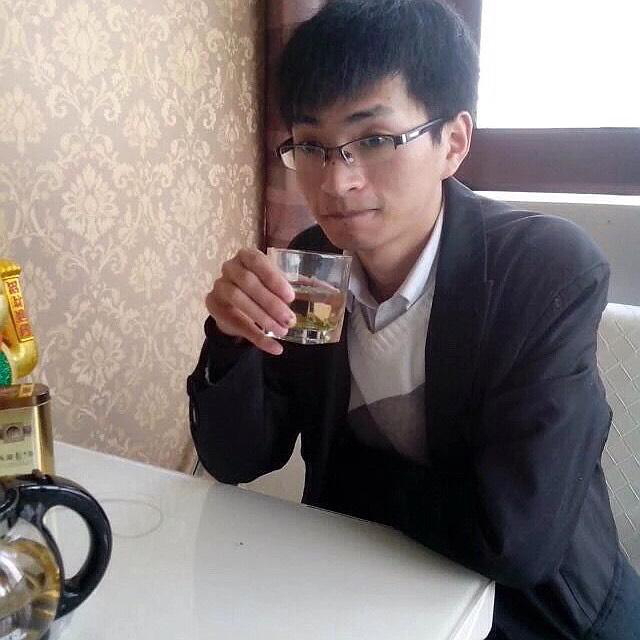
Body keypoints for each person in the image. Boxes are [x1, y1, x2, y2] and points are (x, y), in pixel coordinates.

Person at [187, 1, 640, 638]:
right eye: (311, 145)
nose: (337, 182)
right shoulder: (314, 267)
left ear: (452, 142)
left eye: (374, 139)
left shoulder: (543, 270)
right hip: (365, 589)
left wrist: (350, 478)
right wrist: (232, 342)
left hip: (539, 615)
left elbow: (516, 540)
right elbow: (238, 459)